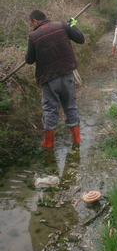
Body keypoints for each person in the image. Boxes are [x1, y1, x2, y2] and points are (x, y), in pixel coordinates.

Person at [25, 10, 85, 148]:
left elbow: (29, 60)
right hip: (67, 74)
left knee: (50, 109)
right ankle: (76, 139)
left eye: (31, 22)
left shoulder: (33, 36)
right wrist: (72, 26)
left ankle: (49, 143)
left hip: (48, 78)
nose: (30, 25)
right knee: (70, 106)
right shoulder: (62, 25)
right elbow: (81, 39)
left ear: (35, 20)